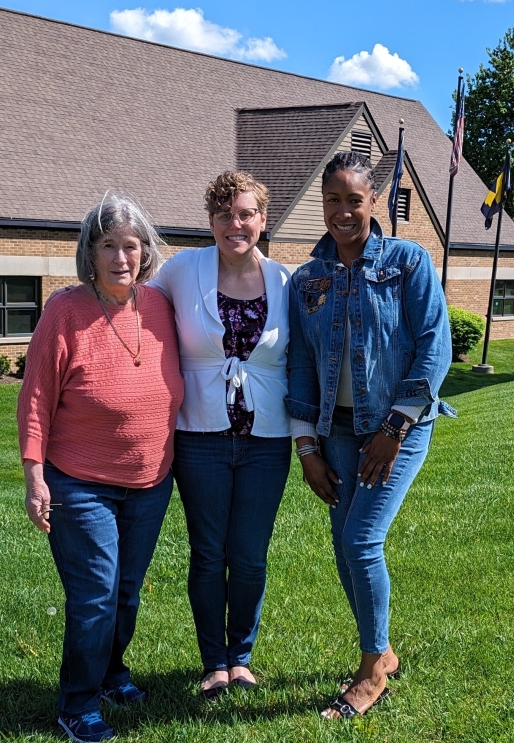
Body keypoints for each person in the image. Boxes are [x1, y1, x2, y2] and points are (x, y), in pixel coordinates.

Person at [285, 151, 455, 720]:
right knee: (343, 545)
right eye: (332, 200)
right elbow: (303, 366)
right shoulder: (307, 278)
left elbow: (435, 346)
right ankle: (383, 649)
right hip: (333, 434)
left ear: (373, 202)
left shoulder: (408, 263)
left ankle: (370, 670)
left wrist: (395, 427)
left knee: (361, 540)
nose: (341, 211)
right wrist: (306, 448)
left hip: (396, 433)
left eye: (353, 200)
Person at [18, 192, 184, 743]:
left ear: (145, 254)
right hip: (79, 482)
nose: (120, 257)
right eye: (108, 245)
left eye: (131, 246)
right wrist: (34, 475)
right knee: (94, 593)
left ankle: (112, 674)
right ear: (89, 254)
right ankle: (77, 705)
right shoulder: (65, 310)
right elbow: (36, 398)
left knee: (126, 591)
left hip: (150, 481)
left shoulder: (159, 307)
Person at [150, 171, 292, 699]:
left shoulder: (284, 280)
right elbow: (131, 301)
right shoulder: (182, 271)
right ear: (210, 221)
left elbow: (298, 359)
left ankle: (242, 658)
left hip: (266, 441)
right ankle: (214, 662)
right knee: (209, 552)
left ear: (263, 218)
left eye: (247, 213)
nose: (237, 224)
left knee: (250, 554)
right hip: (201, 437)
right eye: (225, 214)